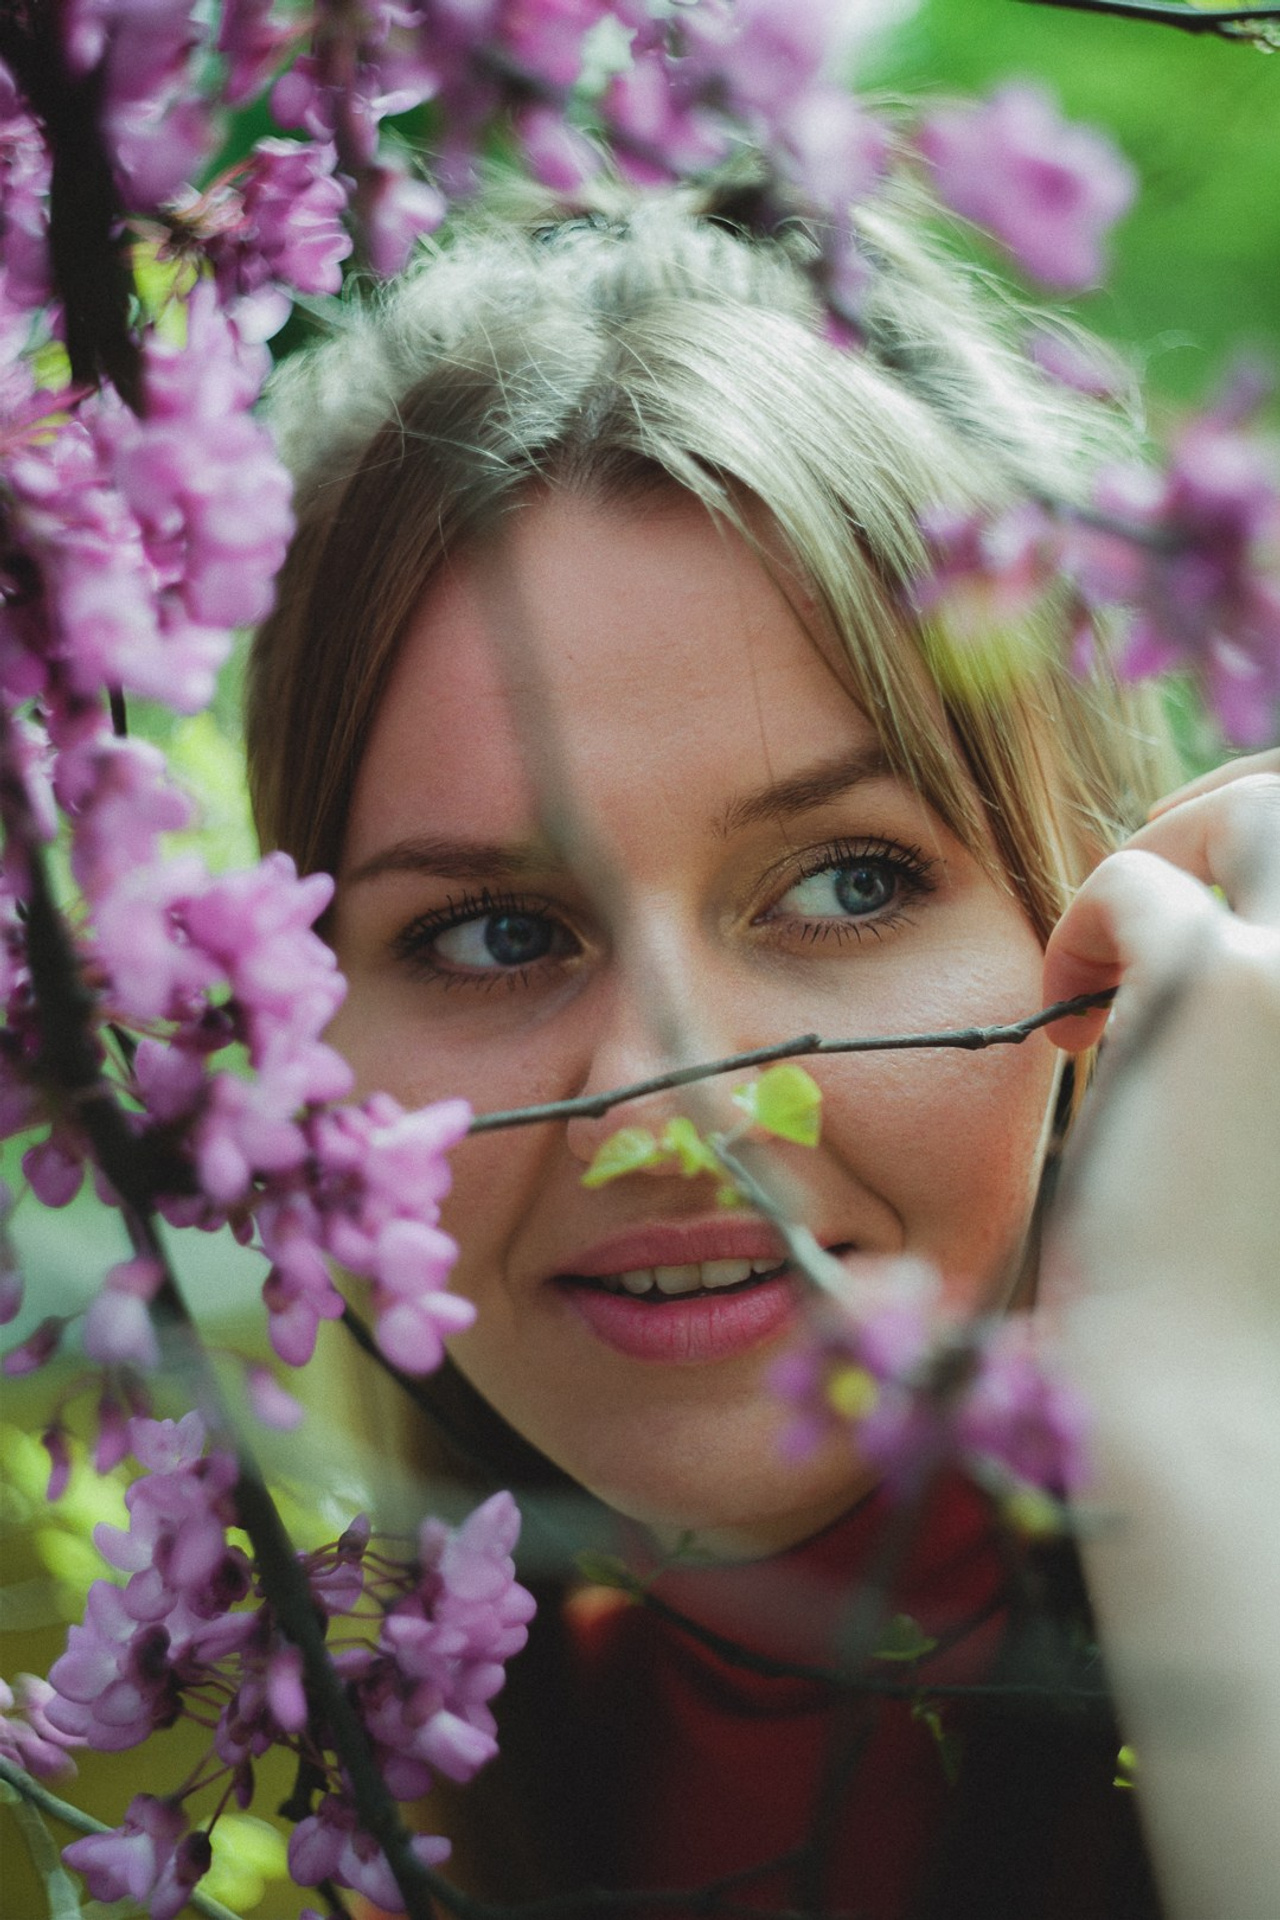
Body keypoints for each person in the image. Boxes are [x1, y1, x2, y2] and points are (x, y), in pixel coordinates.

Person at [246, 180, 1280, 1919]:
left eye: (848, 883)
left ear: (1109, 898)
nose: (680, 1108)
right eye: (493, 933)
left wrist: (1205, 1447)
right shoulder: (388, 1805)